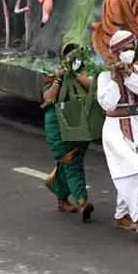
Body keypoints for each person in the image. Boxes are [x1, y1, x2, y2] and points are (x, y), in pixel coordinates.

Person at [95, 30, 138, 234]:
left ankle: (122, 214)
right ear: (115, 53)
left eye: (131, 48)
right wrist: (115, 79)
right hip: (115, 128)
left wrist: (129, 75)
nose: (129, 52)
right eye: (124, 49)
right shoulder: (104, 76)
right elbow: (107, 104)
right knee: (130, 169)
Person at [41, 42, 94, 220]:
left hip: (78, 124)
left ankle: (59, 192)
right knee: (71, 161)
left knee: (71, 160)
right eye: (69, 55)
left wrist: (77, 75)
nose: (73, 58)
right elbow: (48, 97)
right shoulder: (53, 74)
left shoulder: (85, 73)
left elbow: (93, 89)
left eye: (76, 55)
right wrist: (59, 78)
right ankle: (82, 202)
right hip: (57, 125)